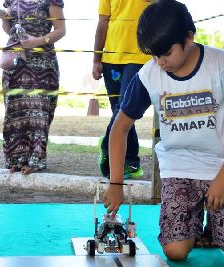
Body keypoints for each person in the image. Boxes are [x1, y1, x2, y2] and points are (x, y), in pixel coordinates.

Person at [103, 0, 224, 261]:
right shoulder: (149, 74)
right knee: (175, 251)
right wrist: (116, 182)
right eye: (154, 54)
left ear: (188, 37)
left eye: (165, 53)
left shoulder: (221, 63)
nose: (160, 62)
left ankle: (215, 227)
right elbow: (120, 128)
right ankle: (195, 225)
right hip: (179, 167)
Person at [0, 0, 66, 174]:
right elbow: (9, 30)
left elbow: (61, 30)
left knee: (39, 111)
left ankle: (35, 160)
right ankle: (16, 159)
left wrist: (38, 41)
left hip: (42, 64)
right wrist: (5, 20)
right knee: (15, 110)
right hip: (15, 62)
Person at [92, 0, 151, 179]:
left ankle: (107, 147)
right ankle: (131, 162)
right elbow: (103, 21)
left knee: (124, 110)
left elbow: (163, 10)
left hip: (140, 55)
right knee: (120, 112)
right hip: (111, 57)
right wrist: (96, 58)